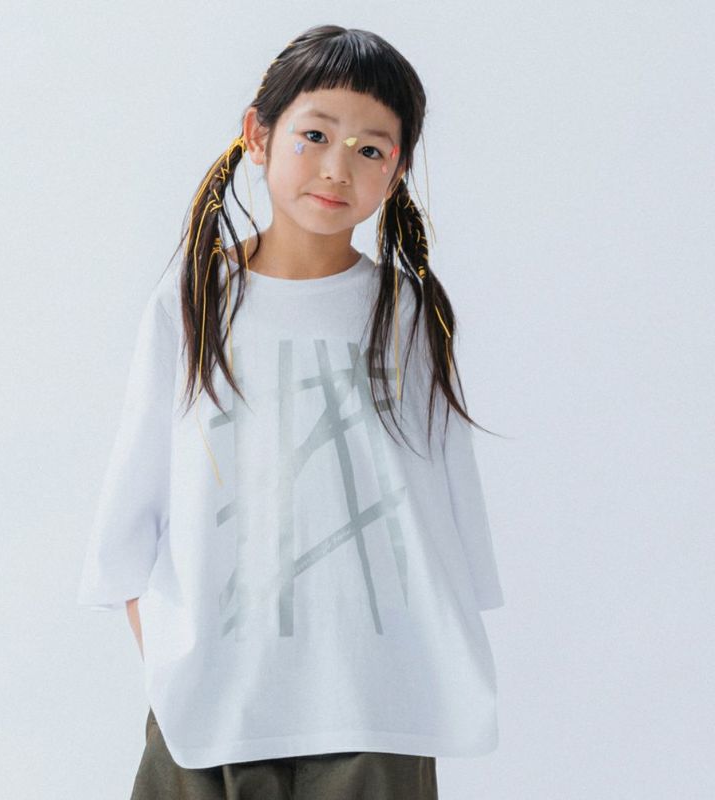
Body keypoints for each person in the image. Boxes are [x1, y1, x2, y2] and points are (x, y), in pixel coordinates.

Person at [77, 23, 505, 800]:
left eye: (371, 149)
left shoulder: (406, 313)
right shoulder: (192, 304)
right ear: (258, 133)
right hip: (212, 712)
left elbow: (448, 523)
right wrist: (176, 661)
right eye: (315, 135)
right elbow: (132, 514)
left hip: (372, 710)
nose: (338, 167)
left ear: (396, 171)